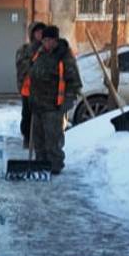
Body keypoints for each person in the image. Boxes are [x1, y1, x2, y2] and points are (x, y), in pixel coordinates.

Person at [28, 25, 82, 174]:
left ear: (55, 40)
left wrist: (68, 100)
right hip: (38, 105)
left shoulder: (64, 56)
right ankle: (40, 165)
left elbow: (74, 82)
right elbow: (32, 75)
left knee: (53, 141)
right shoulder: (39, 54)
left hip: (54, 107)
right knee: (39, 140)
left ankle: (55, 167)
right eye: (44, 40)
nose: (46, 43)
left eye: (49, 40)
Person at [16, 21, 46, 148]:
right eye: (37, 32)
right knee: (27, 114)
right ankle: (27, 137)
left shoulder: (47, 49)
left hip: (43, 90)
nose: (40, 34)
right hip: (28, 89)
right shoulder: (24, 50)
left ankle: (39, 140)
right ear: (32, 34)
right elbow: (22, 66)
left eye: (41, 32)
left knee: (41, 116)